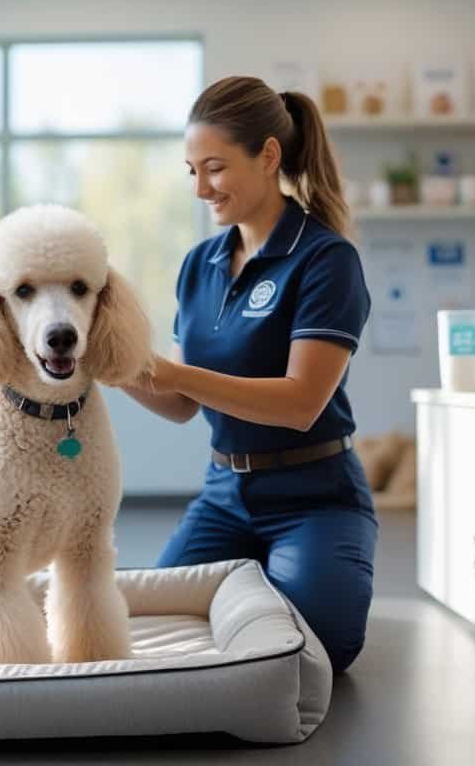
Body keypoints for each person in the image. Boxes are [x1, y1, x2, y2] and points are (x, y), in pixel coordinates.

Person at [122, 76, 377, 673]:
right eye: (191, 171)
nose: (201, 188)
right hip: (223, 497)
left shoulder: (325, 259)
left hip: (316, 498)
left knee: (319, 647)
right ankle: (255, 583)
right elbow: (181, 404)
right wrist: (113, 367)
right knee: (158, 629)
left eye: (214, 167)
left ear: (268, 156)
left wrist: (170, 371)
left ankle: (283, 578)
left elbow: (299, 403)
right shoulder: (199, 264)